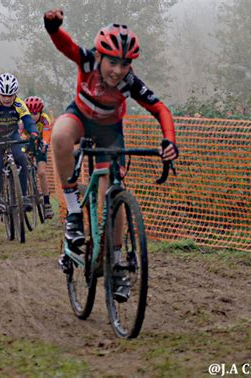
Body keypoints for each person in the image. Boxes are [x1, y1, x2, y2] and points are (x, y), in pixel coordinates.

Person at [43, 9, 179, 301]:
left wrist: (169, 140)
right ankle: (74, 212)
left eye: (124, 64)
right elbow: (66, 46)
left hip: (109, 132)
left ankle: (116, 263)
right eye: (112, 62)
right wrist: (53, 29)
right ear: (100, 57)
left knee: (112, 195)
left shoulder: (130, 82)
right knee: (59, 135)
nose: (117, 70)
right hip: (80, 116)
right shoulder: (88, 60)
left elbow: (161, 110)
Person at [0, 73, 39, 218]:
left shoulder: (19, 104)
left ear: (15, 94)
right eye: (3, 95)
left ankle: (23, 196)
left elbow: (28, 121)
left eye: (10, 95)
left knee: (22, 160)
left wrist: (34, 133)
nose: (6, 99)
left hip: (13, 135)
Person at [22, 96, 55, 219]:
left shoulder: (45, 119)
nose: (32, 116)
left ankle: (47, 204)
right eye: (30, 113)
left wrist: (45, 144)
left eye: (35, 113)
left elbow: (46, 135)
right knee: (23, 167)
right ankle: (24, 196)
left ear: (40, 112)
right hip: (27, 143)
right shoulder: (23, 121)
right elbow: (19, 134)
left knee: (41, 173)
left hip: (40, 144)